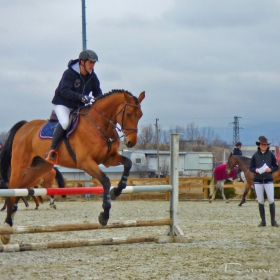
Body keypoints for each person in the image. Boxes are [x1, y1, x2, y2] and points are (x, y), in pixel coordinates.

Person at [46, 50, 103, 162]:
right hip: (63, 104)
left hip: (78, 107)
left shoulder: (92, 76)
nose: (92, 65)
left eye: (94, 63)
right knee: (65, 123)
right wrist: (82, 97)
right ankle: (52, 150)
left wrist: (101, 101)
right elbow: (64, 91)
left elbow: (97, 91)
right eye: (90, 62)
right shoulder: (69, 73)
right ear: (82, 62)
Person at [249, 136, 279, 227]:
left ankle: (273, 221)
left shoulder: (271, 155)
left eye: (265, 145)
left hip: (268, 179)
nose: (263, 146)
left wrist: (271, 170)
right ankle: (263, 221)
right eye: (262, 144)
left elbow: (276, 166)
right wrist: (256, 170)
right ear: (259, 145)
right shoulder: (255, 155)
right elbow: (251, 167)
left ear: (267, 146)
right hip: (258, 180)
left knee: (271, 199)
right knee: (260, 200)